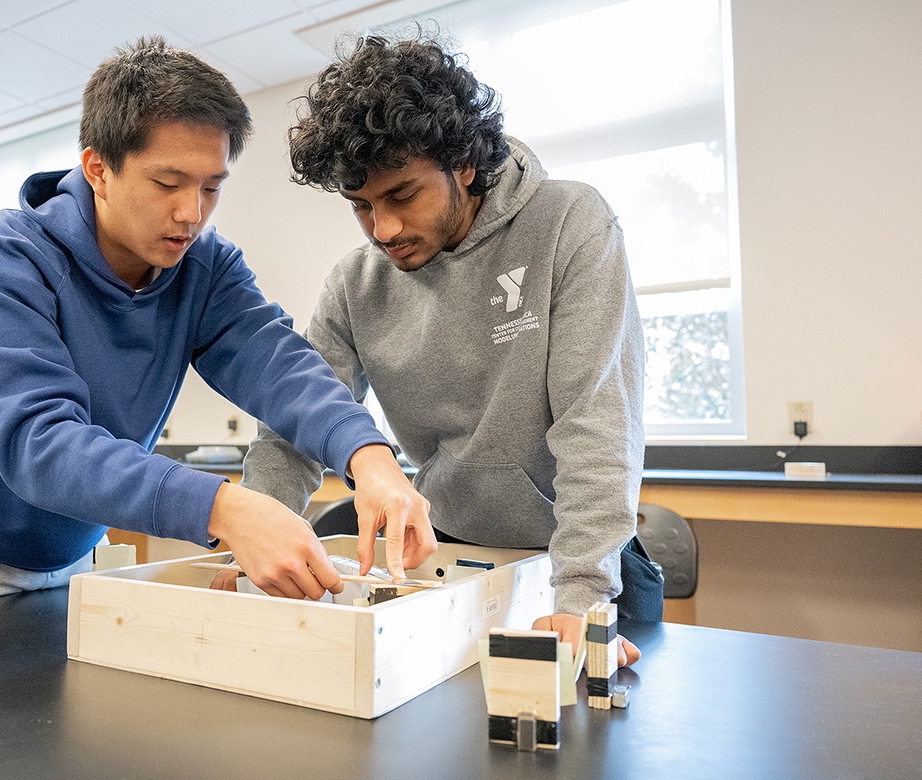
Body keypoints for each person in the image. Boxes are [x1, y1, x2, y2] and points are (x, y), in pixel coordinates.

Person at [0, 37, 436, 613]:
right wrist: (224, 509)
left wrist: (369, 457)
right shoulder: (5, 261)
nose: (191, 213)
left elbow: (278, 364)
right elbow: (37, 443)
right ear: (98, 168)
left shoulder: (205, 267)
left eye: (212, 187)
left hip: (72, 537)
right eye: (168, 184)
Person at [241, 34, 662, 666]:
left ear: (463, 163)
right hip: (455, 558)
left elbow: (597, 423)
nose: (382, 230)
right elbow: (297, 426)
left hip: (581, 565)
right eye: (361, 206)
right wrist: (251, 547)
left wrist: (581, 601)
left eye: (402, 195)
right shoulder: (356, 284)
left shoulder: (570, 223)